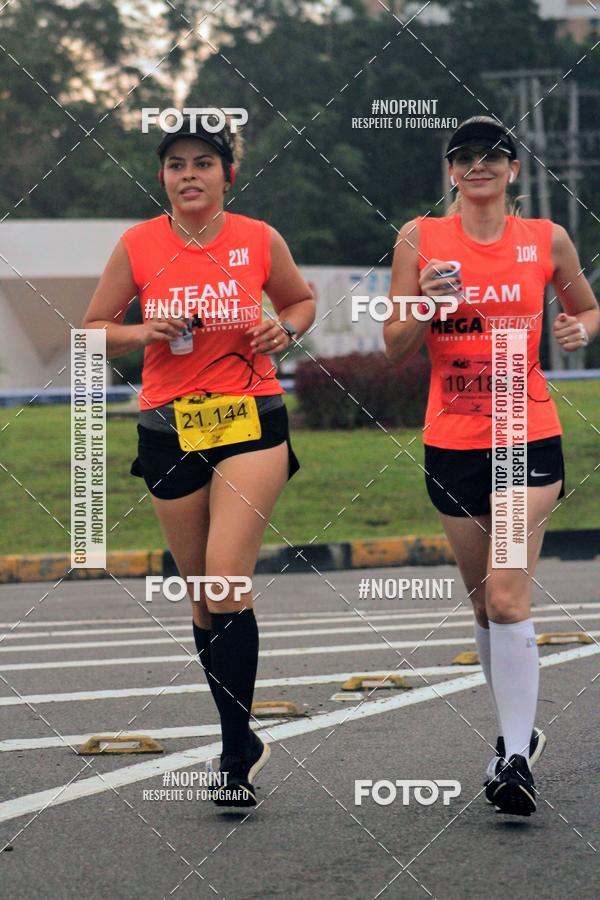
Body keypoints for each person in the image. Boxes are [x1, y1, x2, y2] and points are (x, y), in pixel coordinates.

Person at [82, 111, 315, 807]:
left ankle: (231, 764)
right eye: (177, 163)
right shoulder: (138, 244)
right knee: (201, 596)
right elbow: (92, 333)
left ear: (227, 175)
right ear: (162, 176)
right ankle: (239, 737)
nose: (190, 174)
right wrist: (141, 328)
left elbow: (301, 300)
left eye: (203, 163)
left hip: (250, 421)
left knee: (223, 582)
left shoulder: (257, 238)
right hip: (167, 428)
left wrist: (285, 326)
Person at [383, 116, 599, 816]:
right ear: (452, 171)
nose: (479, 166)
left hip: (526, 432)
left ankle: (512, 760)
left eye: (492, 156)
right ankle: (517, 730)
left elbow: (586, 310)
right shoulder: (421, 238)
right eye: (465, 156)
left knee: (508, 596)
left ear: (512, 170)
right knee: (484, 604)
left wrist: (577, 328)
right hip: (452, 439)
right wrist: (426, 302)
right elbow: (393, 343)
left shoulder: (546, 239)